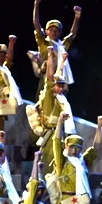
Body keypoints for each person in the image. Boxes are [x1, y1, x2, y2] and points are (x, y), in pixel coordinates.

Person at [33, 46, 76, 174]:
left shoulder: (61, 99)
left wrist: (62, 61)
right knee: (47, 164)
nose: (61, 88)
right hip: (51, 134)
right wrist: (50, 54)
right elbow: (50, 77)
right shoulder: (49, 96)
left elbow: (59, 73)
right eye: (58, 86)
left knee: (58, 165)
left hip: (61, 133)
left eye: (62, 86)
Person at [31, 0, 81, 94]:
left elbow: (73, 34)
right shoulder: (43, 43)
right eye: (51, 30)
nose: (54, 32)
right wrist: (36, 3)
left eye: (56, 30)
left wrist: (77, 16)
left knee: (60, 103)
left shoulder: (62, 46)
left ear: (60, 33)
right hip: (46, 79)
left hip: (60, 81)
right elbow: (36, 24)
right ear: (46, 32)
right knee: (43, 102)